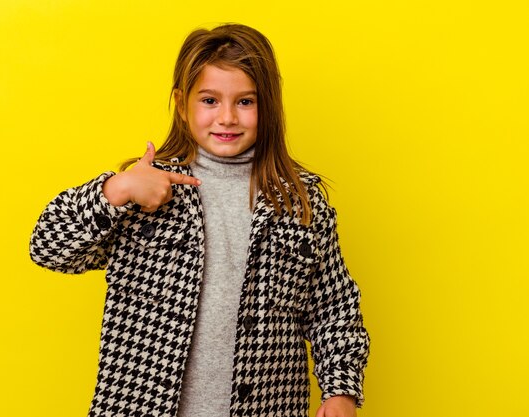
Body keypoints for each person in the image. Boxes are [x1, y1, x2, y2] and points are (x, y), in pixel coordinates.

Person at [30, 23, 369, 417]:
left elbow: (334, 306)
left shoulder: (299, 203)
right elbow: (49, 248)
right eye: (210, 100)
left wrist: (341, 389)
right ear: (181, 102)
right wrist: (116, 190)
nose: (227, 117)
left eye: (245, 102)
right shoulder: (144, 189)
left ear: (269, 106)